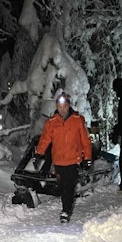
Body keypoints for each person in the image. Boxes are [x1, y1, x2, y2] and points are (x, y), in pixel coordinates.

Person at [34, 91, 92, 223]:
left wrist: (87, 158)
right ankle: (66, 207)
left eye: (64, 107)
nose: (62, 110)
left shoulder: (78, 120)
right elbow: (44, 140)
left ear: (68, 106)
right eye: (59, 107)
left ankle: (66, 211)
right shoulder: (51, 122)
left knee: (69, 186)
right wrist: (39, 154)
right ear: (56, 106)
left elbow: (86, 140)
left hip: (73, 160)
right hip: (59, 161)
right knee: (63, 187)